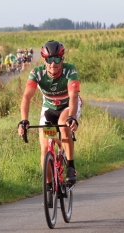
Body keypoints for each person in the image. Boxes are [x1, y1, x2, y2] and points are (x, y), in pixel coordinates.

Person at [17, 40, 81, 206]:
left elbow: (73, 96)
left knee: (63, 123)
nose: (53, 65)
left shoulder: (70, 70)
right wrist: (24, 120)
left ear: (62, 59)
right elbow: (26, 97)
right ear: (43, 60)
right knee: (45, 147)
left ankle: (71, 167)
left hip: (68, 107)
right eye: (49, 60)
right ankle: (48, 186)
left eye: (57, 60)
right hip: (49, 109)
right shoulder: (36, 73)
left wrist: (72, 116)